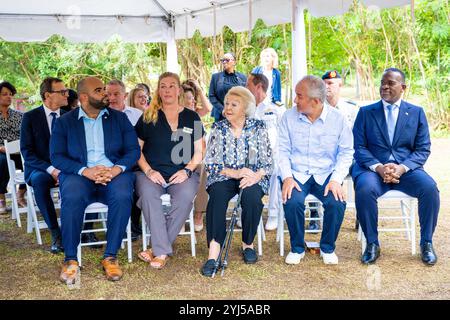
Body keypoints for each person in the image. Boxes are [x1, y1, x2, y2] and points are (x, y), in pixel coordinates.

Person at [51, 76, 140, 284]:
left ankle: (110, 256)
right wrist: (85, 171)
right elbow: (57, 156)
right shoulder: (65, 122)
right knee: (71, 195)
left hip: (113, 173)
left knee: (122, 194)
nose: (105, 94)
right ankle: (71, 259)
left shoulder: (119, 118)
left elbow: (133, 150)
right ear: (84, 97)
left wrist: (116, 170)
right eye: (99, 91)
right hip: (80, 175)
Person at [352, 68, 440, 266]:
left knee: (430, 189)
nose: (384, 86)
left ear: (403, 87)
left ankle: (426, 243)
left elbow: (423, 149)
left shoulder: (416, 113)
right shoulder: (366, 112)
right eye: (382, 82)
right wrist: (379, 167)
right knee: (364, 189)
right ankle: (372, 244)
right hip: (373, 170)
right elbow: (359, 147)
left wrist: (402, 168)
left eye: (390, 83)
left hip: (406, 171)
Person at [279, 75, 353, 265]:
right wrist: (287, 177)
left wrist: (336, 179)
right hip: (297, 173)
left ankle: (327, 247)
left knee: (337, 202)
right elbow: (281, 150)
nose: (295, 100)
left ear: (316, 101)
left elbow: (346, 152)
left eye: (299, 96)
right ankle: (297, 247)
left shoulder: (338, 119)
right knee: (292, 200)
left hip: (326, 173)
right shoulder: (288, 116)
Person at [134, 72, 205, 269]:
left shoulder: (192, 117)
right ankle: (162, 250)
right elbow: (136, 150)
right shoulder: (148, 116)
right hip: (150, 173)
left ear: (179, 89)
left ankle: (157, 250)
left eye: (172, 85)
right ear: (158, 90)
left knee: (184, 198)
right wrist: (148, 171)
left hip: (182, 173)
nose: (167, 90)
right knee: (149, 196)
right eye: (163, 86)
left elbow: (200, 151)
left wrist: (188, 171)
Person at [201, 86, 273, 277]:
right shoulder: (218, 128)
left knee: (251, 197)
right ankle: (213, 253)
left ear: (245, 108)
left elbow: (268, 161)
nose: (228, 108)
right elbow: (211, 163)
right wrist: (236, 172)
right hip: (225, 176)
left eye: (234, 104)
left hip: (252, 176)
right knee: (216, 198)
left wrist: (255, 175)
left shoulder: (259, 127)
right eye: (226, 104)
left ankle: (247, 244)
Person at [20, 77, 68, 253]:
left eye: (66, 91)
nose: (66, 94)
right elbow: (27, 152)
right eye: (61, 91)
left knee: (84, 179)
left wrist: (64, 169)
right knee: (40, 182)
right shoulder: (30, 117)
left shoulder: (70, 115)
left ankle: (84, 229)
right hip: (40, 168)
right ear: (48, 95)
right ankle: (56, 233)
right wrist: (52, 170)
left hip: (66, 167)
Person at [307, 70, 359, 231]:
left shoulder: (352, 109)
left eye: (330, 83)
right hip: (323, 158)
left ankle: (360, 213)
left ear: (340, 85)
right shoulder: (315, 107)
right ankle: (315, 215)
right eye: (323, 84)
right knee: (314, 169)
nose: (326, 87)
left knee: (361, 172)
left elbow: (358, 137)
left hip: (347, 158)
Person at [246, 73, 285, 231]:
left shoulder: (275, 109)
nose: (245, 88)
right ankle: (246, 211)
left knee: (275, 169)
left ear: (258, 87)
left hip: (272, 156)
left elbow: (282, 136)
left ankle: (274, 213)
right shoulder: (246, 107)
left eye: (248, 85)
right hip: (250, 157)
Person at [106, 80, 143, 241]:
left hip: (135, 162)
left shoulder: (137, 115)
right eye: (108, 94)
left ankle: (134, 225)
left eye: (116, 94)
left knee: (137, 180)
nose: (111, 98)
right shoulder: (100, 115)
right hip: (109, 163)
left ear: (125, 95)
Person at [181, 79, 212, 232]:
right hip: (176, 159)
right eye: (189, 99)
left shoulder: (195, 117)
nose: (193, 102)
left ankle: (198, 214)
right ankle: (179, 216)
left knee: (203, 168)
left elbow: (203, 148)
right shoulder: (170, 117)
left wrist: (199, 89)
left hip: (195, 159)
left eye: (194, 99)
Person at [0, 81, 26, 213]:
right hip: (1, 151)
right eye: (4, 94)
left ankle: (20, 194)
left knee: (32, 161)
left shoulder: (20, 116)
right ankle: (1, 199)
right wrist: (2, 148)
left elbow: (27, 134)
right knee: (2, 162)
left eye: (10, 94)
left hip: (20, 151)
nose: (9, 97)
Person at [209, 53, 247, 122]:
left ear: (234, 62)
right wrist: (223, 109)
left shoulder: (242, 77)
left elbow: (246, 96)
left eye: (227, 60)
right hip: (221, 115)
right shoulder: (216, 77)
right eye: (222, 60)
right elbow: (211, 96)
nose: (224, 62)